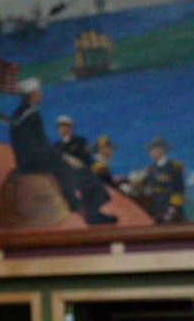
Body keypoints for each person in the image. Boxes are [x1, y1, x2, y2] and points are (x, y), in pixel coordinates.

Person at [9, 78, 115, 224]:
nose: (41, 94)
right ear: (32, 94)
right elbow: (41, 147)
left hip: (26, 161)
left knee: (68, 167)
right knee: (80, 171)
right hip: (33, 162)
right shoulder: (32, 116)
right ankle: (90, 212)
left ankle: (80, 206)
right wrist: (64, 157)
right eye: (38, 91)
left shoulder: (19, 113)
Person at [135, 136, 185, 223]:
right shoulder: (151, 169)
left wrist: (173, 208)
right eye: (150, 150)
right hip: (155, 207)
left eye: (152, 150)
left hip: (169, 208)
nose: (150, 153)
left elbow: (179, 190)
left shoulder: (174, 167)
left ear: (161, 150)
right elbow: (144, 183)